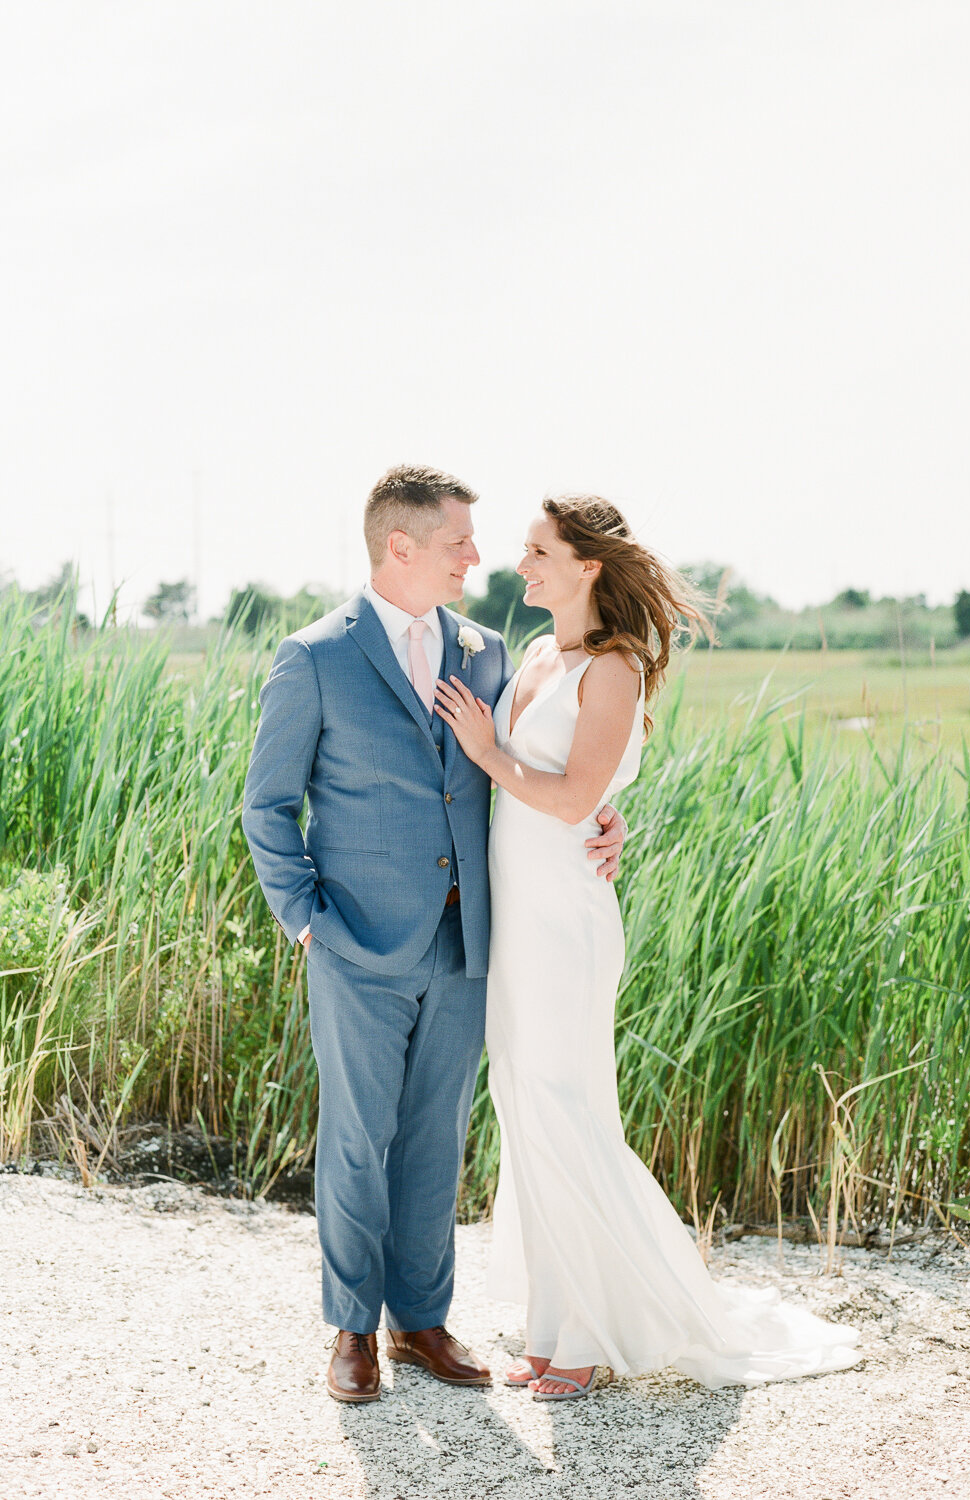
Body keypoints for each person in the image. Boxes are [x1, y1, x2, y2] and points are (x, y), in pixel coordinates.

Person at [434, 495, 862, 1401]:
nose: (523, 565)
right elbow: (564, 792)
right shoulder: (542, 655)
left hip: (568, 927)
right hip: (517, 921)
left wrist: (484, 749)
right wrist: (553, 788)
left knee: (568, 1110)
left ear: (588, 566)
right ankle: (552, 1324)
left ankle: (590, 1330)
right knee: (526, 1112)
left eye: (539, 551)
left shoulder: (616, 668)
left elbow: (568, 794)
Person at [241, 466, 626, 1403]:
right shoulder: (315, 656)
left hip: (471, 946)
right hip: (355, 944)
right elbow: (266, 808)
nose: (477, 557)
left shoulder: (491, 651)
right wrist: (305, 923)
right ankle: (352, 1331)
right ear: (400, 546)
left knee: (435, 1138)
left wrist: (604, 823)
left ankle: (421, 1323)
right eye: (460, 541)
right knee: (357, 1137)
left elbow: (544, 772)